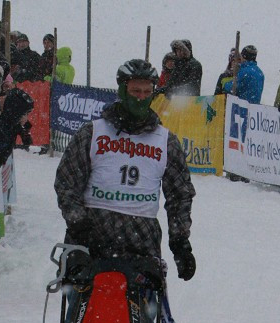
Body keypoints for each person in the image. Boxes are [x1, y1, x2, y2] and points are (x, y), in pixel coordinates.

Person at [54, 58, 195, 279]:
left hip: (141, 244)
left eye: (147, 92)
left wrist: (180, 242)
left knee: (145, 311)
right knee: (83, 309)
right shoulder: (92, 133)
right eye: (135, 90)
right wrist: (78, 224)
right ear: (122, 90)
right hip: (91, 240)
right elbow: (67, 182)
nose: (140, 97)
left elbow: (180, 194)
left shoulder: (165, 141)